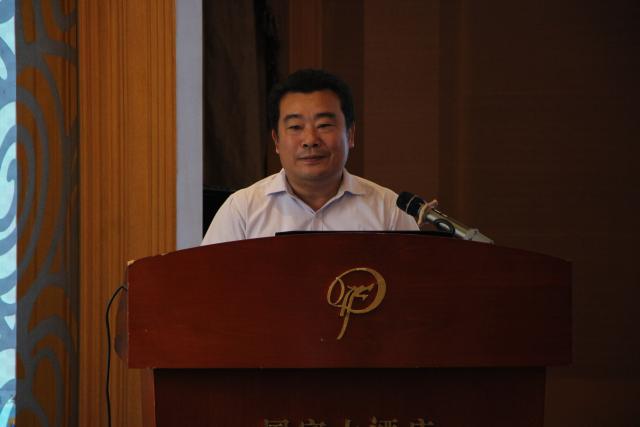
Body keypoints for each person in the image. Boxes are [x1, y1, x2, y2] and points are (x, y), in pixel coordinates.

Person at [202, 69, 422, 245]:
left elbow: (417, 284)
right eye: (295, 127)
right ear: (276, 140)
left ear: (350, 135)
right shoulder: (242, 210)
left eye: (324, 125)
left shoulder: (388, 211)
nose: (310, 140)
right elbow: (208, 283)